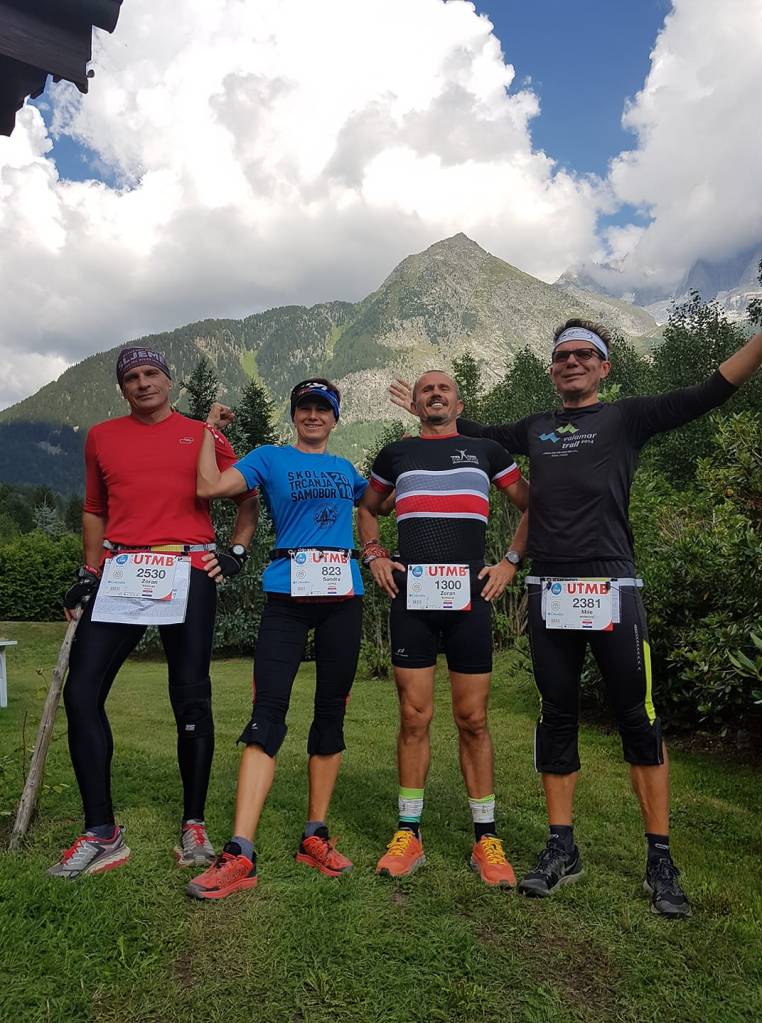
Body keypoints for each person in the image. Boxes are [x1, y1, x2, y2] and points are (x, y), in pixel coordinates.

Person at [391, 320, 762, 917]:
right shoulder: (534, 428)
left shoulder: (627, 418)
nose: (572, 362)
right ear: (552, 369)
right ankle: (562, 847)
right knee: (556, 718)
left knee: (638, 720)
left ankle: (660, 860)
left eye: (585, 354)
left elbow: (710, 390)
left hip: (614, 585)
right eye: (562, 355)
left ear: (604, 367)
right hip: (550, 589)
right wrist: (426, 407)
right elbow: (462, 431)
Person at [49, 346, 258, 880]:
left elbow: (246, 497)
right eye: (131, 378)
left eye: (151, 374)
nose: (142, 383)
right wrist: (88, 572)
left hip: (188, 568)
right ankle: (102, 833)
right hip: (121, 569)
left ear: (169, 380)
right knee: (81, 692)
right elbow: (95, 509)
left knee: (190, 696)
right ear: (122, 388)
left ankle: (193, 825)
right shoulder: (102, 437)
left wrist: (236, 551)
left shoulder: (202, 434)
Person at [186, 378, 368, 900]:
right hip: (287, 596)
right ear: (294, 416)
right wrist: (208, 430)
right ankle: (240, 851)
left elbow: (379, 502)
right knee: (266, 714)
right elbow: (208, 487)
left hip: (342, 598)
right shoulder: (269, 458)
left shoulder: (347, 470)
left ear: (335, 419)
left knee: (331, 713)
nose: (313, 416)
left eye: (322, 409)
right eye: (304, 408)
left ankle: (315, 836)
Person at [358, 370, 529, 887]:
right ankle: (409, 833)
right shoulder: (396, 454)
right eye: (426, 390)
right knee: (413, 717)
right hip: (412, 597)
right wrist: (374, 554)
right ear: (414, 403)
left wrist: (510, 562)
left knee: (473, 719)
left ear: (459, 403)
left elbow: (533, 504)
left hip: (470, 599)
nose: (435, 394)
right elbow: (368, 508)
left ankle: (486, 839)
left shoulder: (487, 451)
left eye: (444, 389)